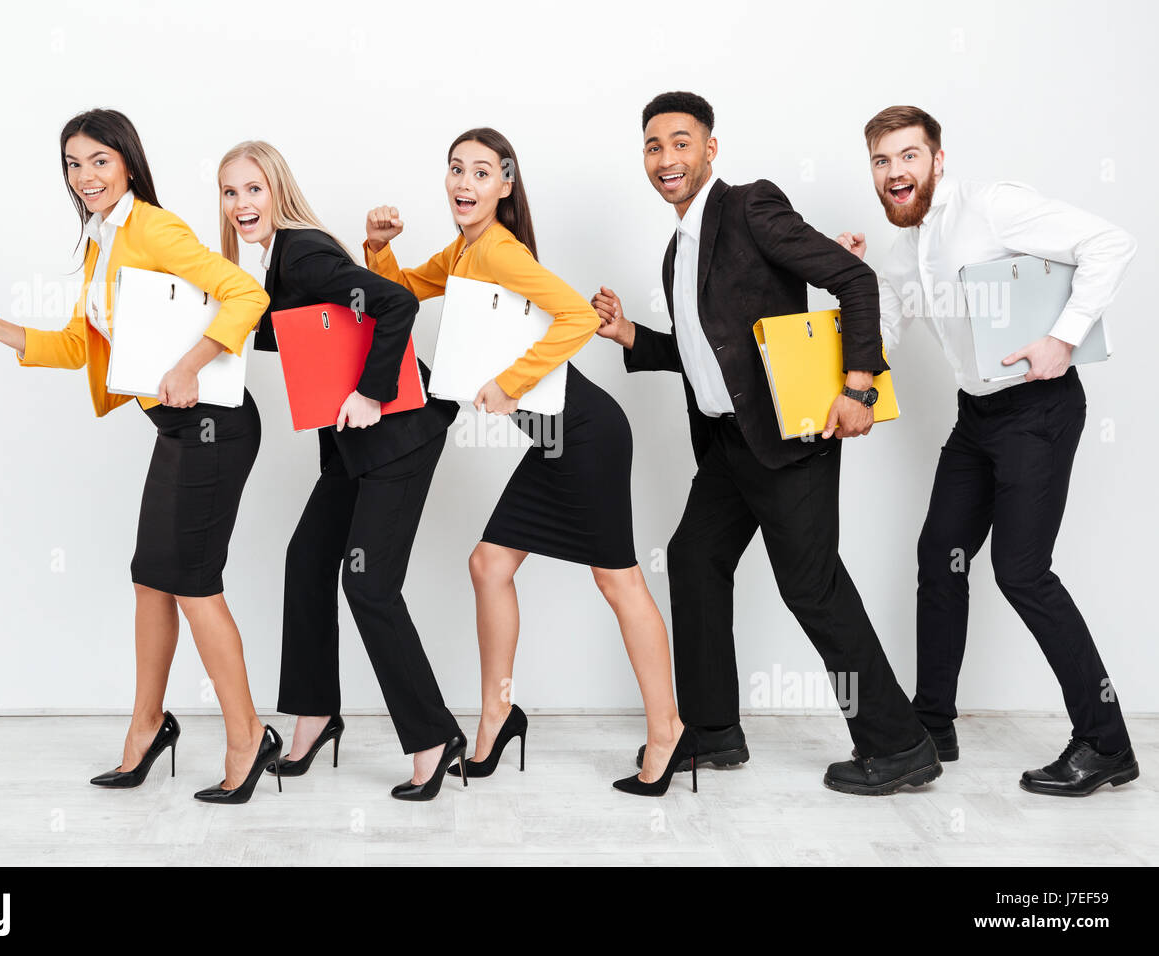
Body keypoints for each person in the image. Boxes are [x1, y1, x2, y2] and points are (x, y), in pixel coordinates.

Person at [593, 90, 940, 795]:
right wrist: (633, 336)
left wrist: (860, 383)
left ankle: (898, 743)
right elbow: (710, 353)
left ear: (709, 149)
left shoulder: (750, 207)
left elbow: (854, 279)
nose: (668, 158)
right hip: (731, 444)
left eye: (682, 142)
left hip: (792, 436)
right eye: (655, 146)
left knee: (811, 587)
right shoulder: (677, 248)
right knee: (693, 556)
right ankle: (714, 732)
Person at [0, 109, 281, 804]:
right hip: (174, 427)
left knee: (194, 582)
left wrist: (192, 364)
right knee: (150, 579)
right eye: (74, 164)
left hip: (215, 425)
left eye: (98, 160)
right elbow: (83, 346)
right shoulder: (104, 243)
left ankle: (248, 736)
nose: (85, 175)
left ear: (127, 163)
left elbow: (245, 294)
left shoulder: (154, 228)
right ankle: (148, 726)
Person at [365, 127, 693, 795]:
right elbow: (399, 291)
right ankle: (498, 713)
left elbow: (572, 316)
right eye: (456, 169)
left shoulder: (502, 252)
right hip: (553, 440)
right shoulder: (463, 250)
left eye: (482, 173)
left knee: (618, 581)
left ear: (506, 186)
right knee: (488, 564)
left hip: (587, 434)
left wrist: (510, 383)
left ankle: (669, 733)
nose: (465, 183)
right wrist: (377, 246)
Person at [835, 105, 1139, 796]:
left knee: (1023, 572)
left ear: (938, 160)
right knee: (938, 557)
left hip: (1038, 410)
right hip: (977, 419)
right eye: (882, 162)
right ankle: (931, 727)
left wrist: (1063, 337)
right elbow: (879, 338)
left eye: (908, 157)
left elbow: (1110, 242)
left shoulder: (993, 208)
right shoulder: (902, 252)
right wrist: (847, 275)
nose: (895, 173)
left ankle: (1106, 740)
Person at [217, 140, 467, 801]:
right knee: (307, 558)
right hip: (354, 449)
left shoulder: (303, 250)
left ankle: (434, 737)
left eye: (253, 189)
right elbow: (305, 330)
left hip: (398, 436)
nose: (242, 204)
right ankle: (316, 715)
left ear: (277, 190)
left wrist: (370, 391)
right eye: (230, 192)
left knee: (369, 587)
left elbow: (393, 303)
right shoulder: (277, 262)